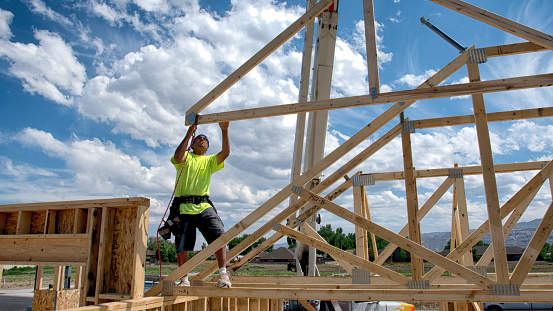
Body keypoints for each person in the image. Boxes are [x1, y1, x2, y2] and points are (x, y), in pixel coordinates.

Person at [171, 121, 231, 288]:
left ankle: (223, 274)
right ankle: (184, 279)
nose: (202, 139)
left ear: (207, 147)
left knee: (219, 235)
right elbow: (177, 156)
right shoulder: (185, 158)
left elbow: (226, 152)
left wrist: (224, 130)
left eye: (205, 139)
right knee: (182, 243)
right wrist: (189, 133)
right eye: (199, 138)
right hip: (184, 206)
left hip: (204, 205)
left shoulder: (210, 161)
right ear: (192, 144)